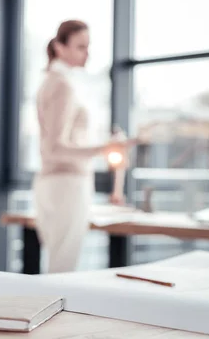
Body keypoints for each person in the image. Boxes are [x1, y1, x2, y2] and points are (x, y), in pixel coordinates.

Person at [34, 20, 135, 273]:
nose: (87, 53)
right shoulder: (62, 85)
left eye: (88, 46)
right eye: (81, 46)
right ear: (59, 47)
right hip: (66, 184)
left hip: (54, 183)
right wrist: (106, 147)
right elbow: (55, 147)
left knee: (59, 266)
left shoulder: (53, 82)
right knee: (63, 270)